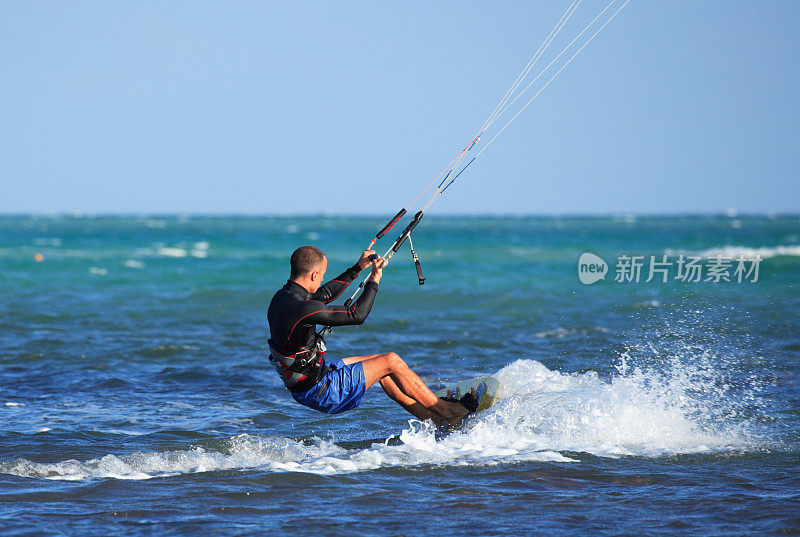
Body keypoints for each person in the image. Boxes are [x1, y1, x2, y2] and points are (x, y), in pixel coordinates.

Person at [267, 245, 471, 428]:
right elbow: (357, 315)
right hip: (321, 390)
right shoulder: (304, 309)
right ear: (314, 275)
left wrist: (358, 267)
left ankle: (434, 419)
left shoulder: (282, 298)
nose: (322, 280)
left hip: (310, 382)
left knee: (382, 365)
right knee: (392, 361)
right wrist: (374, 279)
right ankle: (449, 412)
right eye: (321, 276)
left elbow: (324, 294)